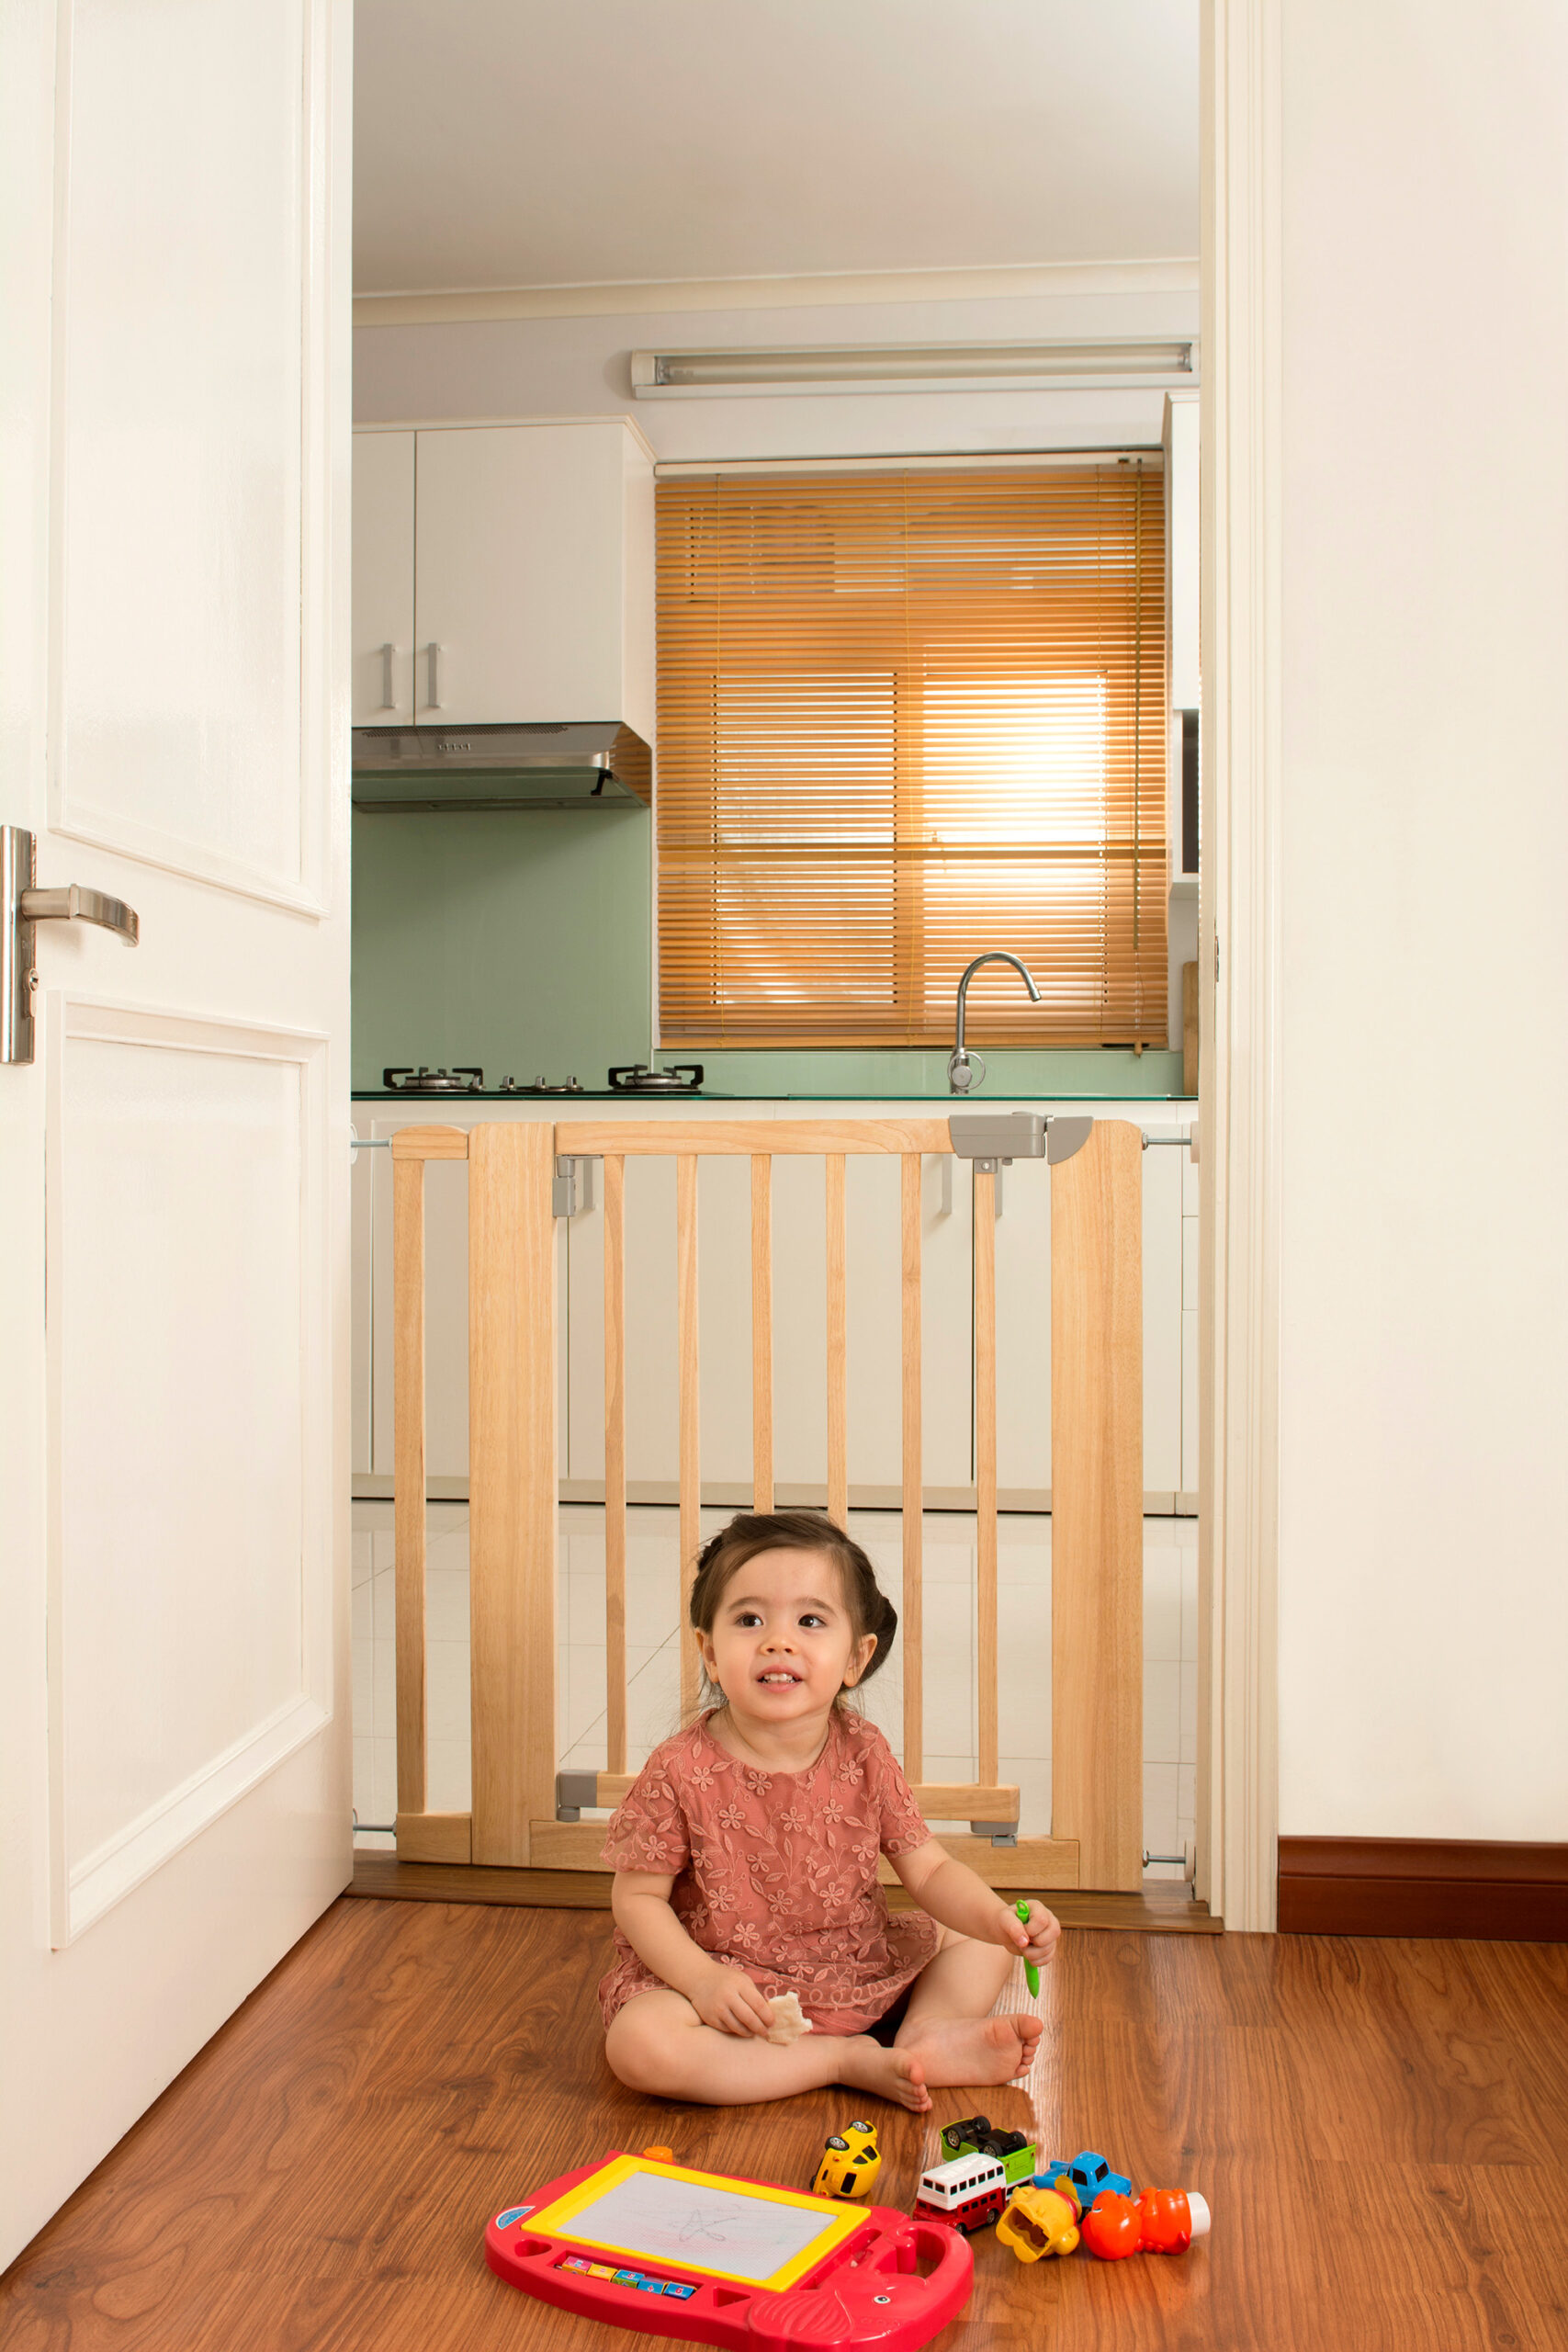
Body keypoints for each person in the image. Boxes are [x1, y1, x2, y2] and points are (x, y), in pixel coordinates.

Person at [600, 1510, 1059, 2111]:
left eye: (810, 1621)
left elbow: (929, 1872)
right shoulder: (680, 1768)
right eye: (749, 1620)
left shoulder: (863, 1750)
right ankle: (839, 2060)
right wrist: (702, 1980)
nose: (777, 1640)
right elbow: (637, 1899)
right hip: (728, 1987)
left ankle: (927, 2032)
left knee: (978, 1937)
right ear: (709, 1652)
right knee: (640, 2045)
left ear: (855, 1658)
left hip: (852, 1965)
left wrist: (1000, 1920)